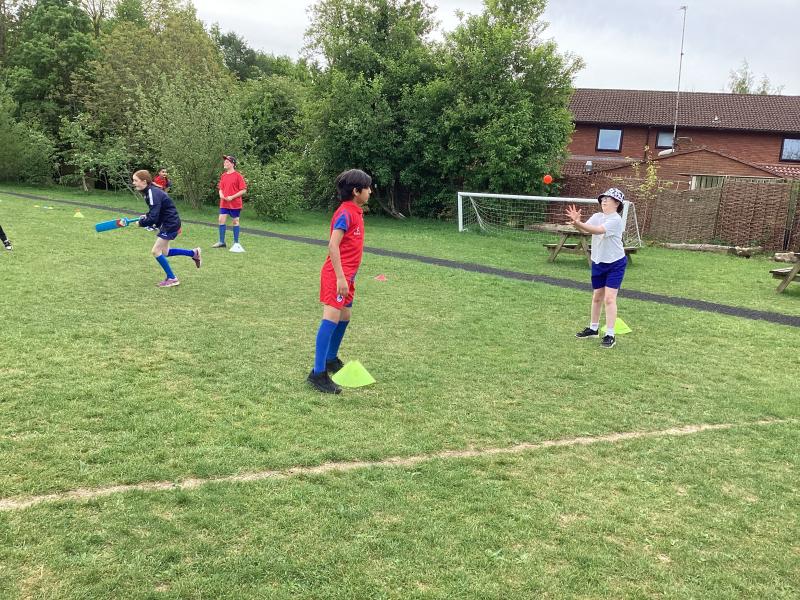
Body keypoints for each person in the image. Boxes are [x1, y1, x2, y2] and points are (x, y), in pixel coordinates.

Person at [307, 169, 372, 394]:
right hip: (336, 276)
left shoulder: (356, 211)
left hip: (348, 277)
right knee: (331, 318)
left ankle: (331, 359)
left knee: (345, 316)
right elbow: (333, 245)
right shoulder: (345, 213)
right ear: (356, 191)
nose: (370, 191)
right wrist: (341, 278)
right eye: (368, 188)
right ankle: (318, 374)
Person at [565, 187, 628, 349]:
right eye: (603, 198)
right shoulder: (597, 216)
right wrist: (576, 223)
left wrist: (579, 224)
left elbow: (598, 230)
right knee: (597, 297)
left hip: (615, 263)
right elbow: (585, 230)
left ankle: (610, 334)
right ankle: (593, 329)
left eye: (608, 198)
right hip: (598, 262)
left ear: (617, 203)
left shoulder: (615, 220)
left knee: (609, 299)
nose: (604, 201)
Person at [133, 169, 201, 287]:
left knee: (155, 251)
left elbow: (154, 217)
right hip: (169, 223)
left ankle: (172, 278)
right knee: (165, 252)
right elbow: (156, 211)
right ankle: (193, 253)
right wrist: (147, 216)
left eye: (135, 180)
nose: (133, 183)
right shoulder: (150, 192)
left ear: (144, 181)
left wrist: (141, 223)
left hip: (170, 224)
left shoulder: (152, 192)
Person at [213, 155, 247, 252]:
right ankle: (221, 242)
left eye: (227, 162)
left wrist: (232, 197)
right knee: (221, 220)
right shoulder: (223, 175)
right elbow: (221, 188)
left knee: (235, 221)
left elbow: (243, 190)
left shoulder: (238, 176)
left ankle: (236, 243)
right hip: (224, 203)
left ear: (232, 164)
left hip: (235, 203)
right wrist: (221, 194)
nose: (225, 163)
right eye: (224, 162)